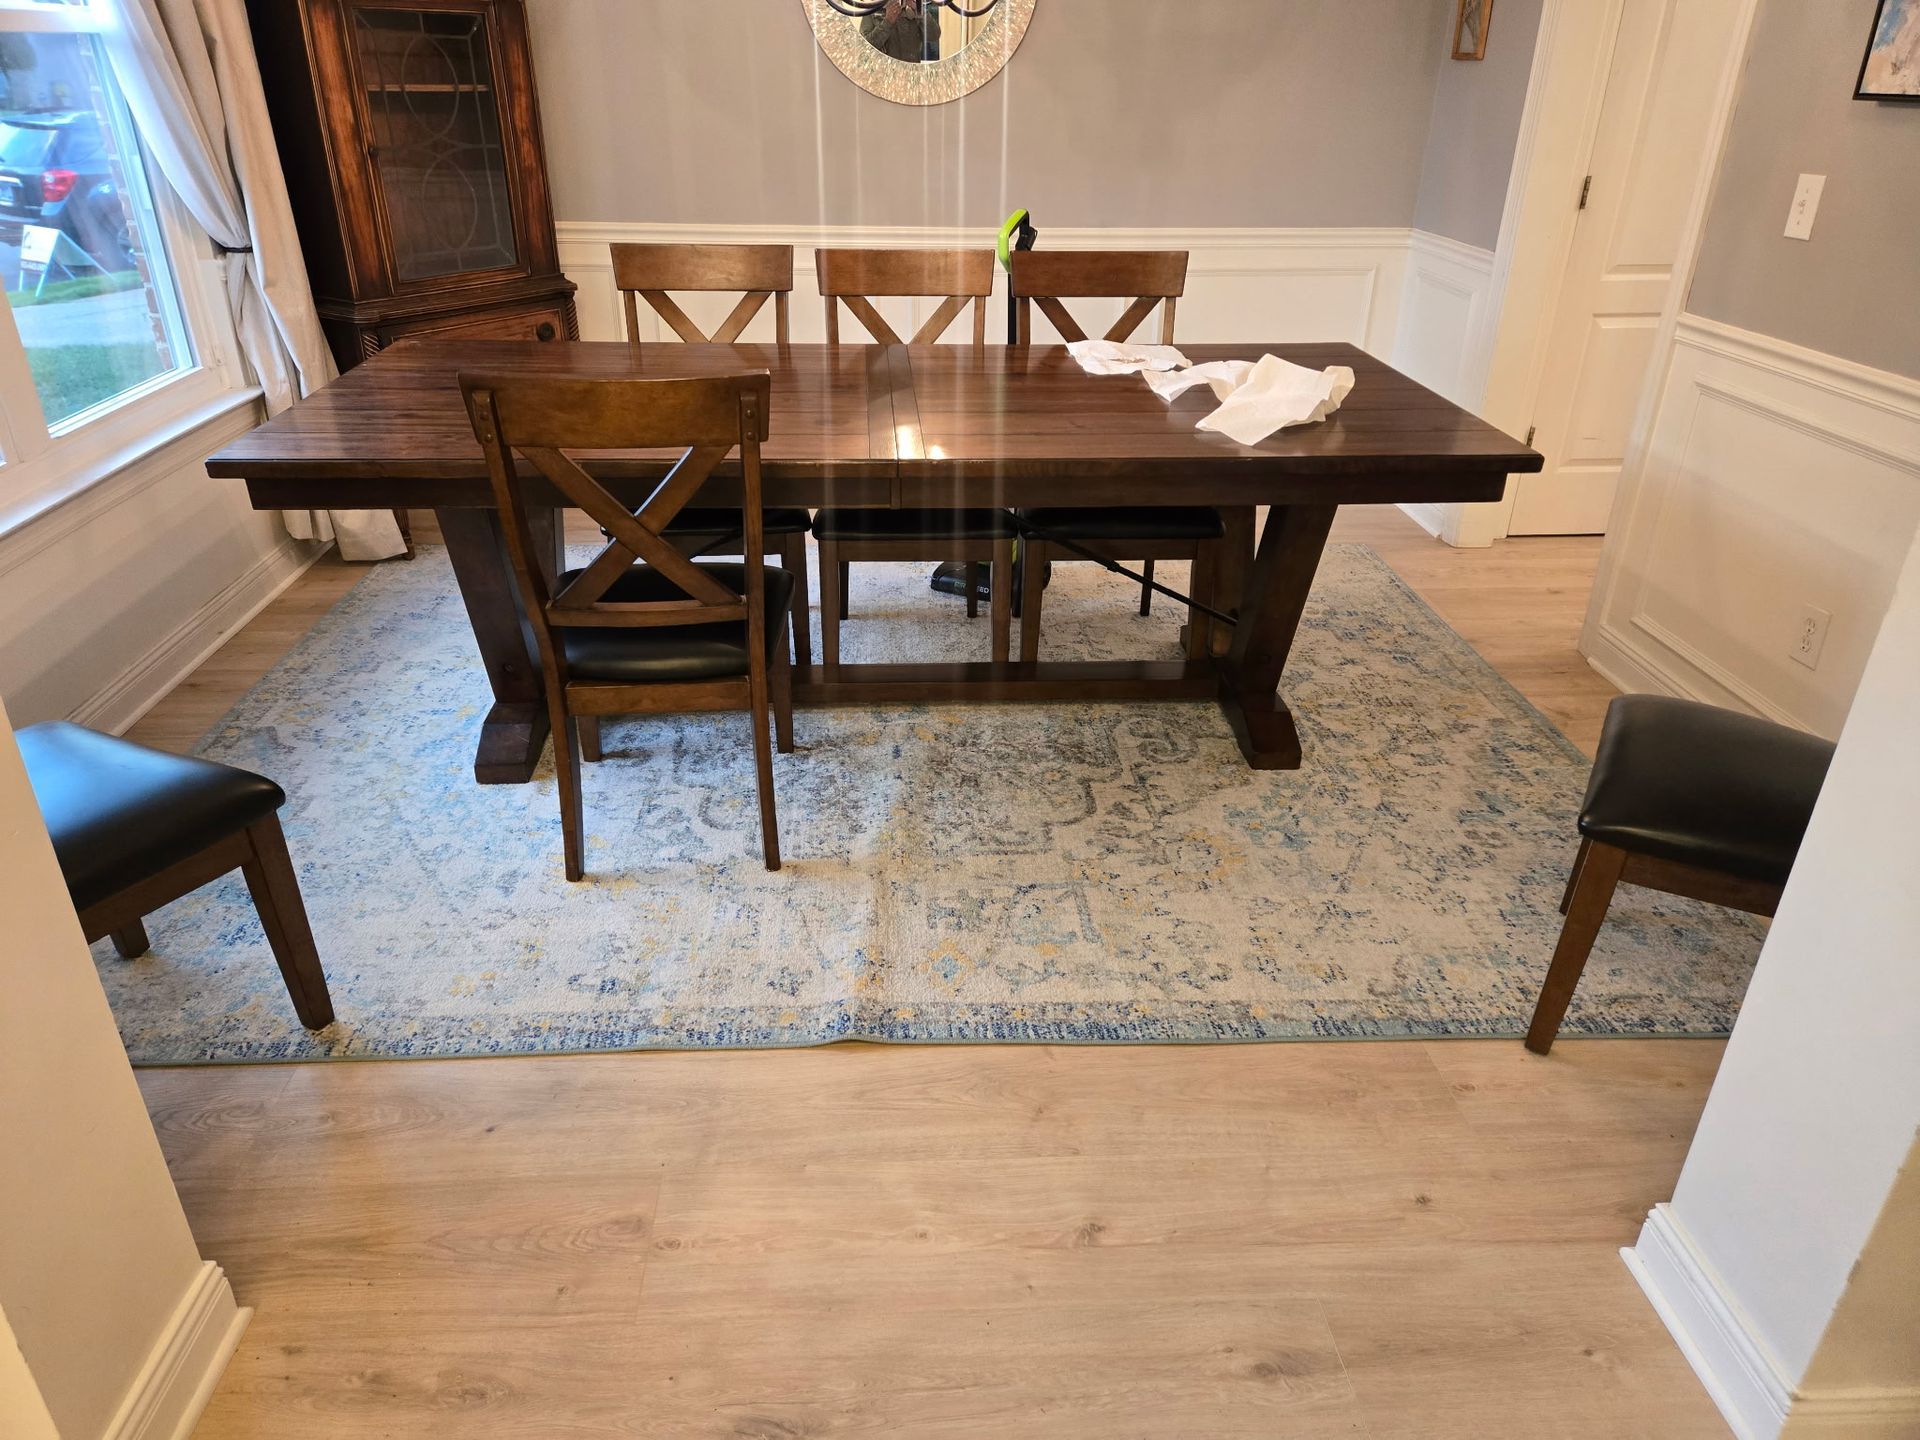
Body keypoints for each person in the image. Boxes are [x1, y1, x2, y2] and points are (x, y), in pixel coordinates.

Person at [860, 0, 940, 63]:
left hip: (910, 75)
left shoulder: (914, 10)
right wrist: (887, 22)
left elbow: (934, 36)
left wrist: (919, 10)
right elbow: (865, 48)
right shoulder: (873, 11)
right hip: (882, 75)